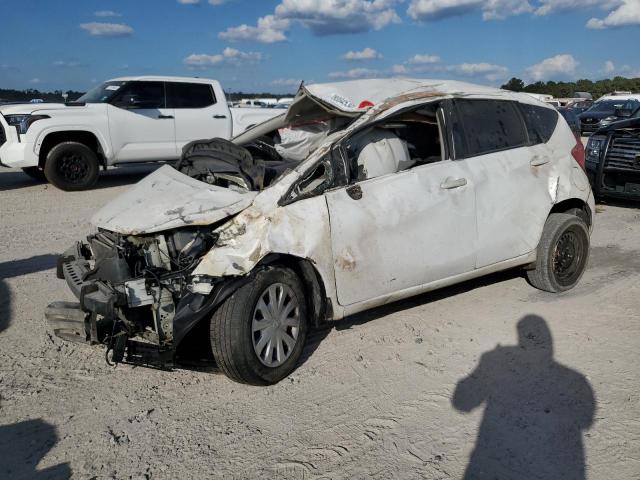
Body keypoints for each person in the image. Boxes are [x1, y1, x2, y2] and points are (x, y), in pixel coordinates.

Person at [452, 315, 595, 480]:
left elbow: (462, 403)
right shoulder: (576, 379)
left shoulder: (493, 359)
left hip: (500, 461)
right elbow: (586, 421)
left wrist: (483, 370)